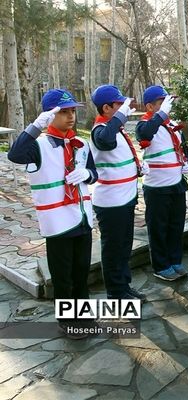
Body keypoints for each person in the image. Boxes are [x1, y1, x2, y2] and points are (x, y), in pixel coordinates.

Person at [8, 89, 97, 338]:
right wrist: (36, 126)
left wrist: (88, 175)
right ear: (49, 115)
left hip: (82, 217)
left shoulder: (81, 144)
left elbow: (94, 172)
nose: (70, 117)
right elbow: (14, 155)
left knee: (81, 271)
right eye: (63, 112)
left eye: (72, 112)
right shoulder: (38, 146)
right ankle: (68, 321)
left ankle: (84, 315)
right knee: (62, 275)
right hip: (58, 222)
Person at [90, 84, 147, 301]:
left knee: (124, 246)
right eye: (119, 104)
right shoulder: (100, 130)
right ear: (106, 108)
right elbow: (105, 141)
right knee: (114, 249)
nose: (124, 107)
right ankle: (116, 292)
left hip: (125, 198)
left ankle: (124, 286)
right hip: (111, 202)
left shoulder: (115, 127)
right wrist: (119, 118)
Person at [136, 85, 188, 281]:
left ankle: (175, 259)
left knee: (176, 225)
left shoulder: (171, 124)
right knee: (159, 227)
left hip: (176, 182)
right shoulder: (144, 124)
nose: (167, 107)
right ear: (150, 106)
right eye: (162, 103)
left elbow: (184, 146)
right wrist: (160, 115)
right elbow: (144, 134)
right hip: (157, 186)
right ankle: (161, 265)